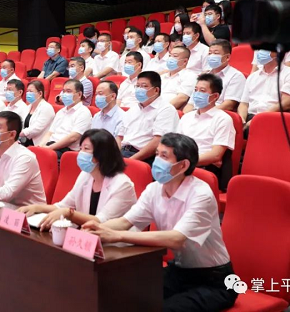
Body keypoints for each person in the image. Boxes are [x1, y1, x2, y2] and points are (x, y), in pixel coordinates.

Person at [83, 133, 237, 312]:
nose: (157, 160)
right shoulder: (154, 189)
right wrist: (96, 230)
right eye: (156, 154)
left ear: (183, 165)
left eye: (164, 156)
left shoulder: (201, 194)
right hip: (178, 272)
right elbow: (126, 221)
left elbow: (176, 239)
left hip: (215, 280)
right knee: (123, 294)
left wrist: (116, 236)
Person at [19, 129, 137, 231]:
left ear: (102, 154)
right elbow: (62, 206)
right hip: (86, 234)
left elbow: (101, 221)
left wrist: (69, 214)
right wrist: (36, 208)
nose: (81, 153)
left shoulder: (122, 185)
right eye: (80, 148)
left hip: (115, 244)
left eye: (86, 149)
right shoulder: (86, 175)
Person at [177, 74, 235, 190]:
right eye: (196, 90)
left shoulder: (223, 119)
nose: (197, 94)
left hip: (205, 168)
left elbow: (216, 155)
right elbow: (176, 145)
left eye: (202, 91)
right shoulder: (186, 117)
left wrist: (187, 163)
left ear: (215, 96)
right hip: (182, 166)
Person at [117, 71, 179, 164]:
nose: (139, 89)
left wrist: (130, 161)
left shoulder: (166, 109)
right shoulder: (133, 109)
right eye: (137, 86)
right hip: (123, 152)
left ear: (156, 90)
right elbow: (120, 136)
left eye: (144, 86)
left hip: (144, 157)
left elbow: (158, 141)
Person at [238, 49, 290, 136]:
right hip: (250, 117)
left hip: (273, 118)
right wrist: (241, 121)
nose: (260, 51)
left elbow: (286, 104)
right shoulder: (253, 76)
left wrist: (256, 119)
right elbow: (244, 104)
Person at [184, 39, 246, 113]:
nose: (211, 56)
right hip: (195, 113)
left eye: (216, 53)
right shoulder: (204, 75)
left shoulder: (236, 76)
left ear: (227, 57)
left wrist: (204, 114)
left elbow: (229, 104)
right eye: (210, 53)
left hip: (216, 114)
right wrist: (188, 115)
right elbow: (190, 104)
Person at [41, 79, 92, 159]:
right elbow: (50, 133)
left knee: (43, 157)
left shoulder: (84, 112)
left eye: (68, 91)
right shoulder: (61, 111)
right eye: (63, 91)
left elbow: (73, 137)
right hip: (51, 145)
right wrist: (41, 146)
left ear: (79, 94)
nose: (64, 94)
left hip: (66, 151)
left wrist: (49, 148)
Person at [19, 80, 55, 147]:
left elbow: (37, 128)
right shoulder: (28, 107)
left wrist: (20, 133)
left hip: (39, 143)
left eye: (31, 91)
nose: (28, 93)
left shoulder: (46, 107)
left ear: (40, 93)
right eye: (27, 91)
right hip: (25, 140)